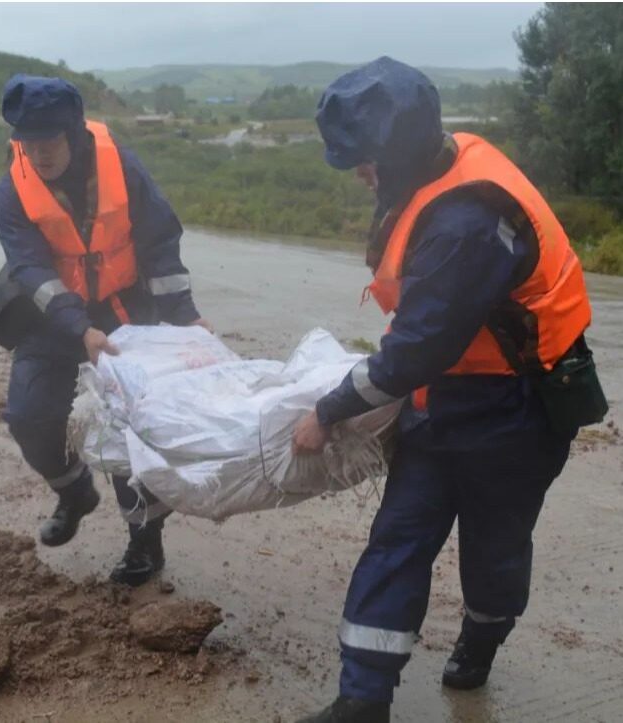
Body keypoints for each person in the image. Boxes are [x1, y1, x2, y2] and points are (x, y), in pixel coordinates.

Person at [292, 57, 600, 722]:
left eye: (364, 160)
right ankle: (361, 699)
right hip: (441, 401)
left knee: (494, 549)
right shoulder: (430, 167)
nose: (357, 173)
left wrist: (328, 410)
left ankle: (481, 640)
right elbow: (422, 349)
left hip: (517, 410)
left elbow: (414, 349)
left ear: (397, 150)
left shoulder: (465, 220)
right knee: (397, 538)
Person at [0, 74, 209, 586]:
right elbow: (31, 270)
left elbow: (160, 245)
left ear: (74, 133)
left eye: (49, 142)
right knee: (27, 416)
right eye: (29, 143)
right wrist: (78, 328)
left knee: (128, 428)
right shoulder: (12, 190)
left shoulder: (124, 169)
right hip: (53, 316)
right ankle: (73, 492)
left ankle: (144, 542)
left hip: (124, 310)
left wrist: (184, 316)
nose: (40, 155)